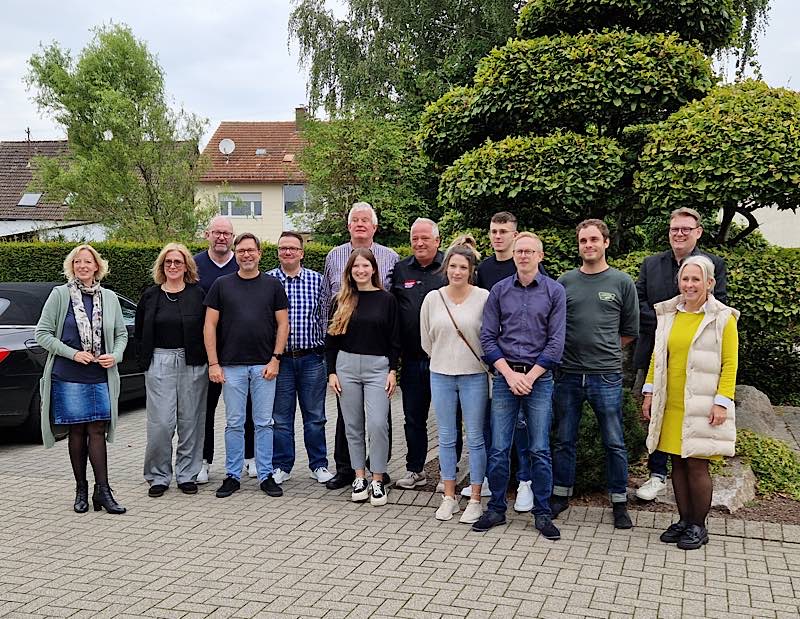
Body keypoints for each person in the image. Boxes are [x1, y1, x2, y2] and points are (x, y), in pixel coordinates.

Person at [642, 255, 738, 550]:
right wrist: (649, 392)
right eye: (685, 279)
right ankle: (684, 520)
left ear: (710, 283)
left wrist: (722, 402)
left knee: (696, 465)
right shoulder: (669, 313)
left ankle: (699, 525)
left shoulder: (722, 318)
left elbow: (730, 363)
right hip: (671, 403)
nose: (689, 284)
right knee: (677, 464)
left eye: (696, 279)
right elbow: (657, 356)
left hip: (701, 403)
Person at [475, 232, 566, 541]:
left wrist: (530, 376)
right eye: (520, 251)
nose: (524, 256)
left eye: (530, 251)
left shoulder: (555, 291)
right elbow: (487, 338)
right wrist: (510, 375)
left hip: (540, 380)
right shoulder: (499, 291)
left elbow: (556, 343)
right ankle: (496, 508)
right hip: (504, 377)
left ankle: (542, 514)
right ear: (514, 255)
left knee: (540, 448)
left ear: (540, 256)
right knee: (499, 448)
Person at [633, 207, 727, 501]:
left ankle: (690, 473)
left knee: (691, 417)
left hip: (697, 358)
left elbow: (718, 307)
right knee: (657, 415)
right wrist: (666, 324)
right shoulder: (651, 264)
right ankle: (657, 473)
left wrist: (678, 322)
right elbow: (639, 304)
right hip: (656, 354)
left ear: (698, 232)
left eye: (686, 229)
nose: (680, 233)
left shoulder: (713, 264)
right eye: (675, 228)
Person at [551, 219, 639, 530]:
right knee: (564, 439)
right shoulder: (565, 282)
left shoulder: (621, 282)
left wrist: (604, 349)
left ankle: (618, 500)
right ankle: (561, 495)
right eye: (583, 241)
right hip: (569, 374)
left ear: (606, 243)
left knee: (613, 441)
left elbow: (629, 331)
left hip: (606, 376)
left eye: (594, 240)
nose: (588, 245)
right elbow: (555, 325)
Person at [35, 244, 128, 514]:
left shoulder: (109, 298)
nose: (83, 266)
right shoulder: (60, 295)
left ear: (97, 266)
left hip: (100, 375)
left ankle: (104, 491)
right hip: (69, 375)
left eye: (88, 262)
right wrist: (73, 354)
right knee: (77, 431)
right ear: (72, 266)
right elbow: (43, 333)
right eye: (78, 262)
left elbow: (121, 334)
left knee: (97, 430)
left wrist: (116, 355)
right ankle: (81, 490)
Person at [203, 233, 289, 499]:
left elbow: (283, 324)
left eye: (251, 250)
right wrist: (214, 363)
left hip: (264, 365)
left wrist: (276, 358)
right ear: (235, 253)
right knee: (234, 423)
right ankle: (232, 475)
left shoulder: (273, 285)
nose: (246, 255)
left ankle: (265, 475)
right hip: (231, 367)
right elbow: (210, 325)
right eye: (241, 251)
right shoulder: (221, 284)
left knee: (264, 423)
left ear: (260, 253)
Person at [321, 202, 399, 490]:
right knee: (349, 420)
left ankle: (379, 471)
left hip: (377, 355)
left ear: (375, 226)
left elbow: (394, 323)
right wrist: (331, 366)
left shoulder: (390, 258)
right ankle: (351, 472)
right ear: (349, 225)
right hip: (346, 354)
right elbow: (325, 306)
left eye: (366, 220)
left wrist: (393, 367)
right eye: (356, 220)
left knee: (379, 421)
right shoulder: (334, 257)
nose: (361, 224)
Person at [420, 244, 489, 523]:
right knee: (447, 437)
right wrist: (443, 359)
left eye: (463, 267)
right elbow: (426, 340)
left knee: (475, 437)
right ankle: (448, 496)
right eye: (453, 266)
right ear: (445, 268)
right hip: (441, 374)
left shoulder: (484, 298)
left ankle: (474, 498)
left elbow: (489, 337)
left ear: (471, 271)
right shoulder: (432, 299)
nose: (457, 271)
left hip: (474, 374)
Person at [135, 243, 208, 497]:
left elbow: (210, 329)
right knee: (161, 424)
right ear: (162, 266)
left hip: (193, 362)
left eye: (178, 262)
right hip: (159, 361)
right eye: (169, 262)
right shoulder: (151, 295)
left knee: (191, 421)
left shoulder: (198, 294)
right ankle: (158, 476)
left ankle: (188, 474)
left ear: (186, 266)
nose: (173, 266)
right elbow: (140, 330)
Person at [266, 231, 333, 485]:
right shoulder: (268, 281)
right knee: (281, 418)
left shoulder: (318, 281)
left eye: (293, 248)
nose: (288, 252)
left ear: (302, 253)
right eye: (283, 248)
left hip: (312, 359)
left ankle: (319, 464)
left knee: (315, 416)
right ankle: (282, 465)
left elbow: (326, 319)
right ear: (278, 252)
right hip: (280, 360)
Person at [194, 216, 257, 484]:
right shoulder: (194, 265)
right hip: (206, 352)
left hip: (240, 352)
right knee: (205, 411)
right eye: (217, 232)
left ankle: (249, 459)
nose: (221, 237)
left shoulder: (242, 262)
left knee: (247, 411)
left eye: (226, 233)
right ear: (208, 234)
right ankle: (203, 462)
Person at [391, 218, 445, 490]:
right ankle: (415, 470)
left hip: (447, 360)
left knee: (448, 419)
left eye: (425, 238)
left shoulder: (450, 266)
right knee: (413, 418)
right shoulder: (400, 270)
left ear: (437, 240)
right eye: (415, 239)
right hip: (412, 359)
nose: (420, 243)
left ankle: (449, 471)